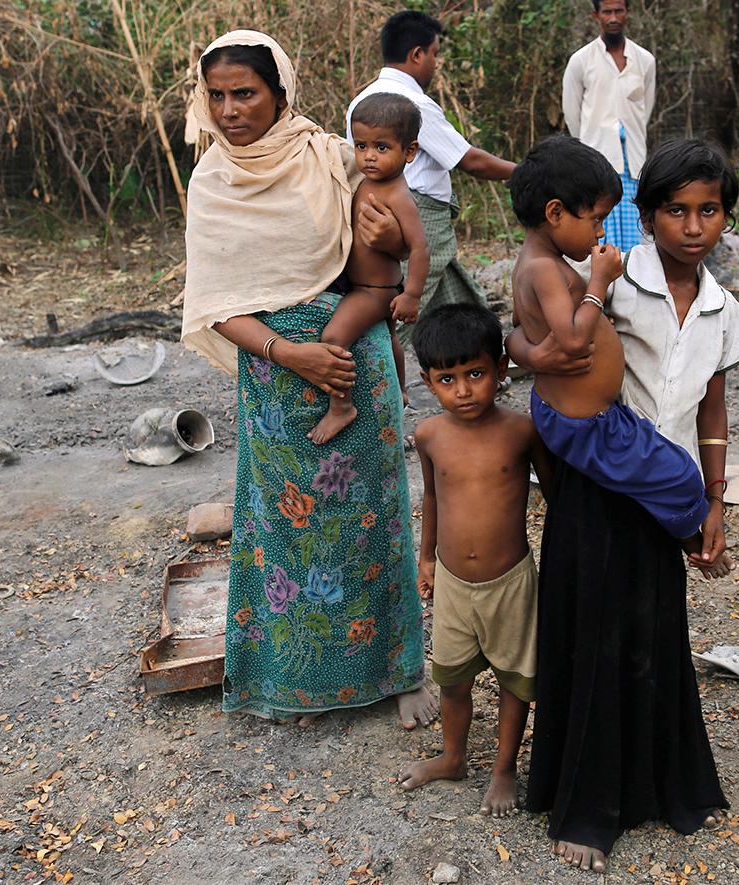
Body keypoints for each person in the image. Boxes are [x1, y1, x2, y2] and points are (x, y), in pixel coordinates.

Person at [180, 30, 438, 730]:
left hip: (357, 359)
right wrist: (290, 355)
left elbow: (388, 247)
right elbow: (212, 302)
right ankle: (296, 682)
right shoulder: (213, 182)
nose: (231, 109)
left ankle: (399, 670)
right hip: (275, 377)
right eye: (219, 95)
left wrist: (385, 249)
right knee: (289, 539)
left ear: (282, 92)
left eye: (246, 93)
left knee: (373, 523)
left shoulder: (329, 156)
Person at [512, 137, 739, 873]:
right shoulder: (603, 275)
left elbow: (712, 408)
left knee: (653, 628)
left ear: (726, 218)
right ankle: (584, 802)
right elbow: (531, 331)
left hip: (660, 475)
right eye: (677, 209)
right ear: (643, 217)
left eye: (710, 210)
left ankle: (659, 783)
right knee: (595, 628)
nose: (694, 225)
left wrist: (713, 498)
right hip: (598, 477)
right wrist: (524, 349)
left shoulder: (722, 309)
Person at [509, 135, 710, 546]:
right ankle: (690, 540)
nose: (600, 231)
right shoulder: (545, 269)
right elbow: (573, 339)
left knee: (659, 471)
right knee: (683, 476)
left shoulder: (538, 263)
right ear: (555, 213)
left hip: (585, 415)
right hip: (589, 425)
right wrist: (598, 281)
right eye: (596, 219)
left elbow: (517, 327)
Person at [399, 304, 552, 817]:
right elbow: (433, 498)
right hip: (453, 581)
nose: (463, 390)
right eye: (447, 379)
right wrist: (425, 558)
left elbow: (557, 500)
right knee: (453, 680)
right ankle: (454, 756)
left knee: (515, 679)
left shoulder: (522, 432)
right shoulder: (429, 436)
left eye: (476, 374)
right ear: (427, 381)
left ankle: (505, 767)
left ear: (501, 370)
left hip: (510, 581)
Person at [345, 10, 515, 334]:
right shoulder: (413, 104)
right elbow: (469, 160)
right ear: (417, 54)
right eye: (434, 54)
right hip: (418, 213)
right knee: (403, 309)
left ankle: (490, 361)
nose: (435, 64)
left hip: (380, 206)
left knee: (461, 303)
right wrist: (525, 172)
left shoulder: (362, 101)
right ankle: (376, 375)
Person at [309, 92, 430, 444]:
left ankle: (341, 406)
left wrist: (412, 295)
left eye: (381, 147)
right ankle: (401, 392)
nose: (369, 156)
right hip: (363, 285)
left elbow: (420, 247)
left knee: (333, 338)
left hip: (373, 291)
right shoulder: (367, 182)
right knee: (389, 338)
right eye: (361, 146)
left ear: (409, 152)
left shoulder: (397, 193)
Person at [563, 0, 655, 252]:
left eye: (618, 11)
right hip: (598, 160)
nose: (613, 18)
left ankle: (633, 278)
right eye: (607, 12)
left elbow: (645, 109)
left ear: (627, 13)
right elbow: (572, 114)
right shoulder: (581, 60)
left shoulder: (644, 60)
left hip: (634, 162)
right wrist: (587, 149)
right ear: (596, 15)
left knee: (636, 231)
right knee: (601, 226)